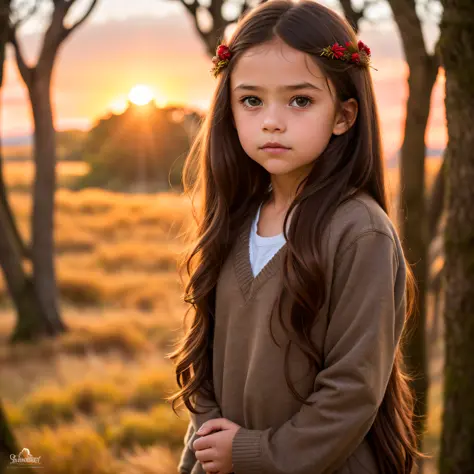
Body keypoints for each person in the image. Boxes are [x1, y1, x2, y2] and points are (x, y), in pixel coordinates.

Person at [166, 0, 423, 472]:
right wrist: (203, 453)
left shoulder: (360, 233)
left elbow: (352, 389)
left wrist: (254, 453)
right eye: (251, 100)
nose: (271, 120)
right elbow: (206, 362)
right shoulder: (235, 220)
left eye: (300, 100)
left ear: (344, 116)